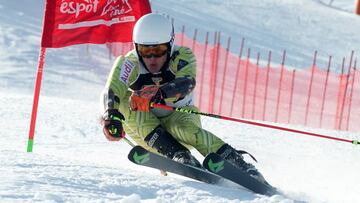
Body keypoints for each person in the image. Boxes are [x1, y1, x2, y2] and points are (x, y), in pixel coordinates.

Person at [100, 13, 265, 182]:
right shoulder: (129, 63)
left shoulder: (182, 56)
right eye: (145, 50)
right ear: (136, 48)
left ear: (170, 45)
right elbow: (111, 90)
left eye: (158, 50)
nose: (152, 58)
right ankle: (178, 155)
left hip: (179, 116)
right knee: (125, 101)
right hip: (147, 135)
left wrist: (159, 93)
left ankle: (240, 165)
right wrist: (109, 115)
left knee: (183, 129)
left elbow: (187, 83)